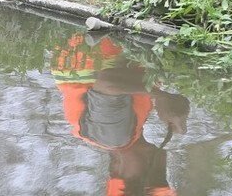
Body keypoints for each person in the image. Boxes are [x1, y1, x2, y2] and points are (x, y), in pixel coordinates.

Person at [50, 32, 189, 196]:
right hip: (94, 38)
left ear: (116, 166)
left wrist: (161, 96)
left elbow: (106, 83)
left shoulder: (114, 138)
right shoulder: (131, 131)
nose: (158, 168)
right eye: (160, 176)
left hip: (98, 38)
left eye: (142, 178)